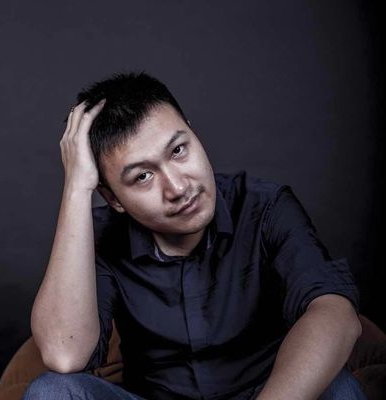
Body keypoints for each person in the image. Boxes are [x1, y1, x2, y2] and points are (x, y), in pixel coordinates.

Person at [23, 72, 366, 400]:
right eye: (142, 177)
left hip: (268, 393)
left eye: (178, 150)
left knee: (339, 389)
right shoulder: (101, 237)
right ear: (113, 199)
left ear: (192, 132)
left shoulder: (265, 207)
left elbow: (334, 314)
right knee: (51, 391)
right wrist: (77, 188)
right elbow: (64, 353)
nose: (177, 187)